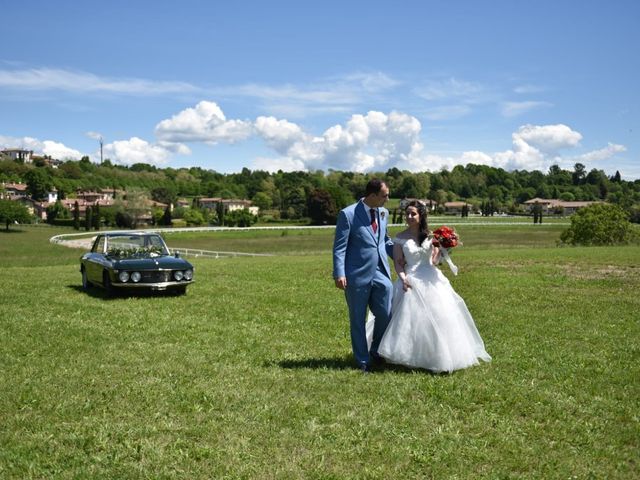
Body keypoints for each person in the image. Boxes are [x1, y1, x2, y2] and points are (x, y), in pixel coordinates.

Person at [376, 200, 491, 372]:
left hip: (431, 277)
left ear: (421, 215)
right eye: (407, 213)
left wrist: (444, 249)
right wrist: (403, 278)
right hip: (410, 277)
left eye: (413, 213)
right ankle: (409, 354)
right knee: (409, 318)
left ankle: (438, 354)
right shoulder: (400, 238)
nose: (409, 217)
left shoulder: (431, 236)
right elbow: (398, 263)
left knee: (440, 315)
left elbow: (434, 262)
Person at [333, 179, 394, 373]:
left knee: (386, 313)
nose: (388, 199)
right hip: (355, 276)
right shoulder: (348, 214)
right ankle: (363, 360)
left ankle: (376, 351)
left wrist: (410, 252)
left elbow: (385, 241)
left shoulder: (383, 213)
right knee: (358, 319)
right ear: (373, 195)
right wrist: (339, 273)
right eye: (385, 195)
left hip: (380, 272)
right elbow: (339, 247)